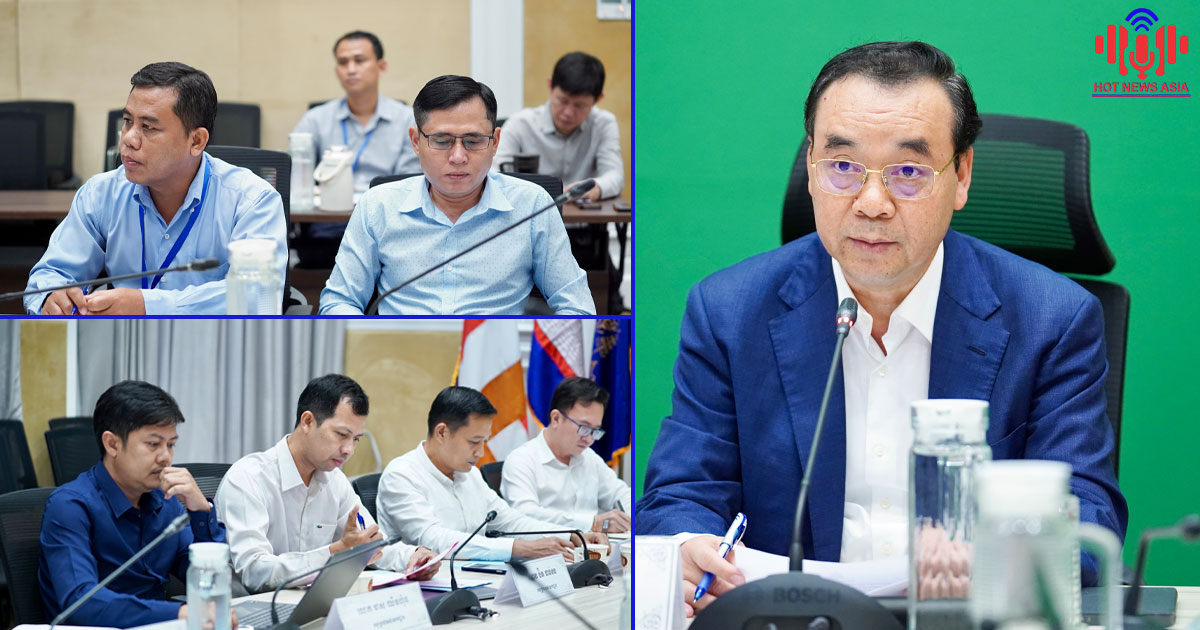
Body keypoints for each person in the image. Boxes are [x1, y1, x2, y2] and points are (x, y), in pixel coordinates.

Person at [636, 41, 1128, 616]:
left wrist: (996, 558)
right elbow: (681, 495)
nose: (872, 203)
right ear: (812, 169)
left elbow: (1087, 515)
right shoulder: (729, 311)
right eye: (843, 166)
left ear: (961, 175)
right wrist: (687, 545)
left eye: (909, 172)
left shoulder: (1051, 319)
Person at [24, 61, 287, 315]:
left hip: (217, 341)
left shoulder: (252, 201)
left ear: (196, 141)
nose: (129, 139)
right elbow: (49, 276)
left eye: (148, 127)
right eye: (128, 121)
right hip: (124, 341)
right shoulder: (100, 195)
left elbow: (257, 296)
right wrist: (51, 297)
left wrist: (146, 306)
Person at [318, 75, 594, 315]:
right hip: (402, 351)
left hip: (496, 354)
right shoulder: (378, 206)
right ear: (416, 142)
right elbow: (338, 302)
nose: (458, 157)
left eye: (473, 141)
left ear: (495, 142)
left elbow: (578, 307)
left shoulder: (532, 206)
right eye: (442, 141)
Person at [215, 374, 440, 593]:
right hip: (252, 609)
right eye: (341, 435)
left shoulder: (335, 481)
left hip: (313, 603)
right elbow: (255, 572)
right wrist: (337, 551)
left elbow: (369, 542)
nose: (349, 450)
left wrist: (413, 557)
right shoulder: (248, 479)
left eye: (356, 439)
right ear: (307, 422)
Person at [38, 381, 233, 628]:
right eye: (153, 444)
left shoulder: (167, 502)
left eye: (171, 444)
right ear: (112, 444)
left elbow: (207, 578)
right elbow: (81, 602)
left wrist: (200, 510)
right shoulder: (70, 506)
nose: (166, 457)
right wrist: (181, 613)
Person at [375, 386, 607, 561]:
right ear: (442, 432)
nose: (480, 452)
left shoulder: (470, 474)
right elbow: (434, 539)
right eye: (474, 442)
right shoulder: (401, 476)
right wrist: (520, 549)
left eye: (484, 442)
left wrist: (571, 534)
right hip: (424, 592)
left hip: (479, 581)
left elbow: (509, 520)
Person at [291, 31, 420, 267]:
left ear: (381, 66)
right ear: (336, 70)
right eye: (343, 62)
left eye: (359, 61)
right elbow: (295, 174)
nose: (350, 69)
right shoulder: (316, 119)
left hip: (386, 225)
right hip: (328, 226)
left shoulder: (407, 120)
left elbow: (407, 183)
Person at [501, 377, 632, 533]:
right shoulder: (521, 460)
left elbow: (621, 494)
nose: (589, 439)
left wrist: (629, 518)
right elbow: (524, 515)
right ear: (556, 418)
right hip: (546, 546)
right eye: (584, 428)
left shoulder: (589, 457)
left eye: (595, 431)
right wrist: (591, 523)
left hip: (596, 545)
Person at [493, 51, 624, 202]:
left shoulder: (604, 124)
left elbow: (615, 175)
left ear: (598, 99)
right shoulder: (521, 124)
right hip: (532, 211)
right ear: (550, 86)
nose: (568, 113)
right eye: (563, 101)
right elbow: (493, 172)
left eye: (579, 105)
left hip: (584, 214)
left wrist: (598, 187)